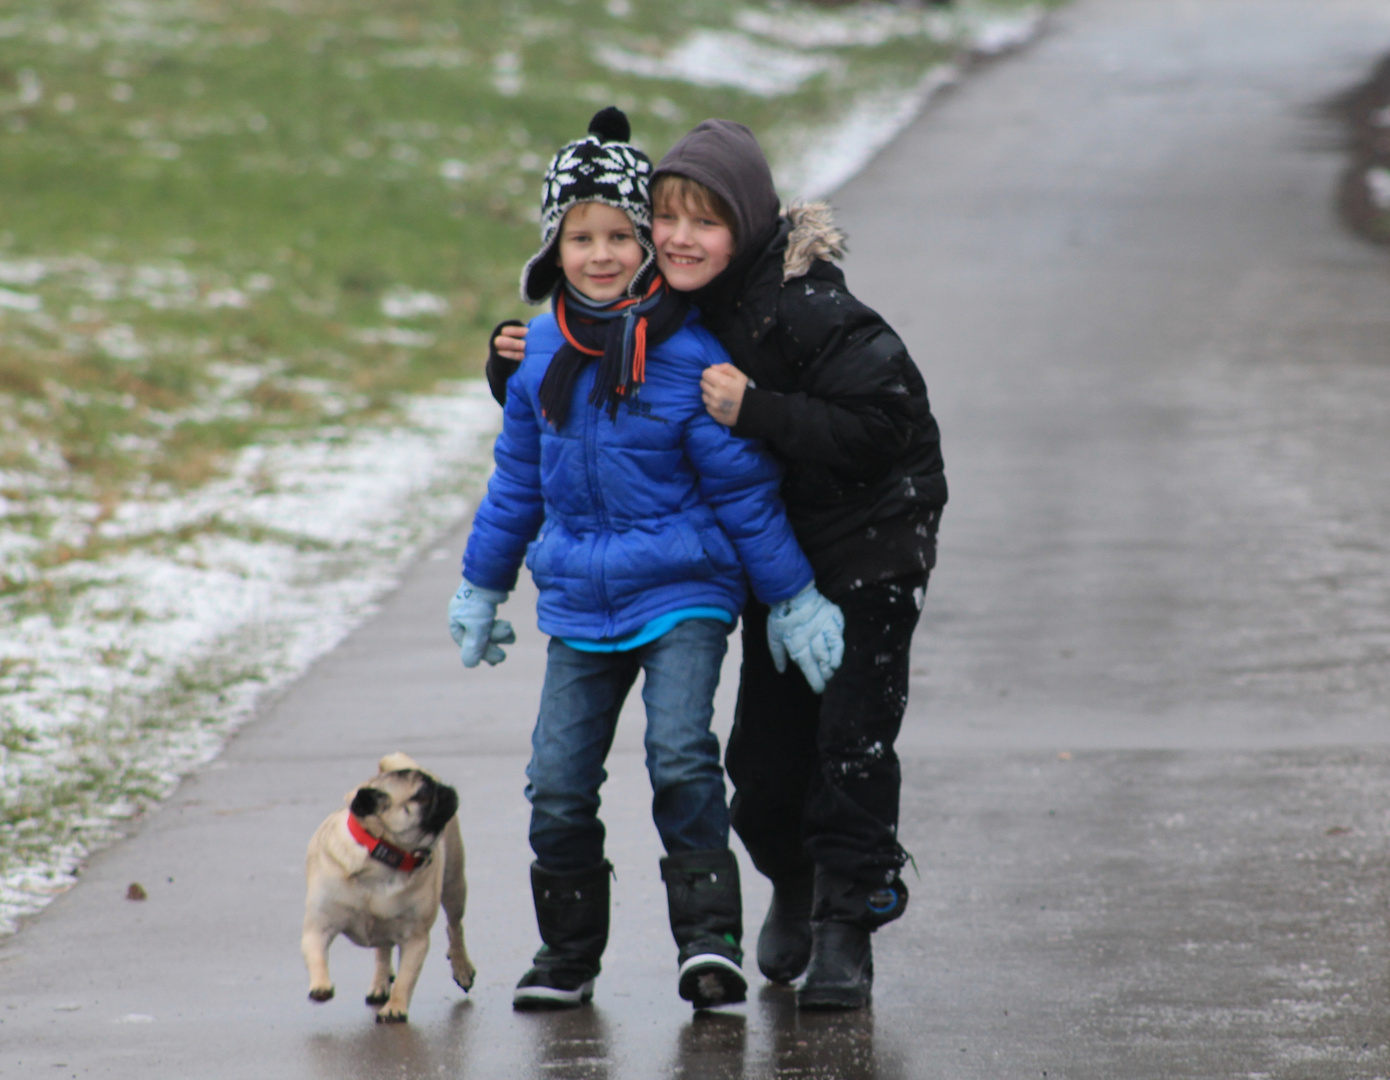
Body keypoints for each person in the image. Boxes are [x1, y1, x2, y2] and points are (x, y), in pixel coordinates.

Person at [490, 119, 946, 1011]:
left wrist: (763, 411)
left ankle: (848, 927)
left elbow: (892, 425)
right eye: (665, 216)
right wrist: (510, 362)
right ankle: (796, 881)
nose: (679, 237)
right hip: (770, 551)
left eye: (705, 222)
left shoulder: (810, 306)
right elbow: (600, 385)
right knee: (762, 772)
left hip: (867, 542)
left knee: (848, 744)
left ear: (746, 224)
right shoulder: (672, 303)